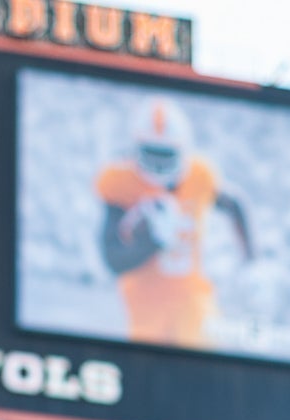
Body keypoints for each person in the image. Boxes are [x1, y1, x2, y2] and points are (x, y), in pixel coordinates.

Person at [97, 98, 251, 349]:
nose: (158, 165)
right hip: (144, 302)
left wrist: (250, 259)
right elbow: (113, 258)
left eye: (165, 154)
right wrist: (154, 242)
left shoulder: (200, 175)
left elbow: (234, 205)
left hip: (191, 294)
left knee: (201, 350)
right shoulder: (120, 183)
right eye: (151, 153)